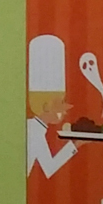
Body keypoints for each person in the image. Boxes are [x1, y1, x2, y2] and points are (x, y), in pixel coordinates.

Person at [27, 34, 79, 179]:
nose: (64, 111)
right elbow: (49, 167)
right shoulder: (34, 132)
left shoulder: (35, 128)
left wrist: (75, 144)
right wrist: (75, 145)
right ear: (46, 107)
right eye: (60, 104)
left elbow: (48, 167)